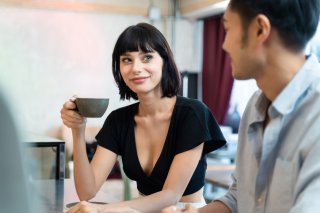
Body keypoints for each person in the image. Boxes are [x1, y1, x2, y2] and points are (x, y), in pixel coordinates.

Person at [163, 0, 320, 212]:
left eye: (227, 28)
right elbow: (240, 197)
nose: (224, 44)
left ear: (259, 29)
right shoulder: (255, 106)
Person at [60, 22, 226, 213]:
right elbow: (87, 192)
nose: (136, 68)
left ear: (164, 61)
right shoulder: (118, 120)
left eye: (146, 57)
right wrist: (78, 131)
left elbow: (171, 195)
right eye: (127, 60)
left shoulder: (193, 113)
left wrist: (104, 210)